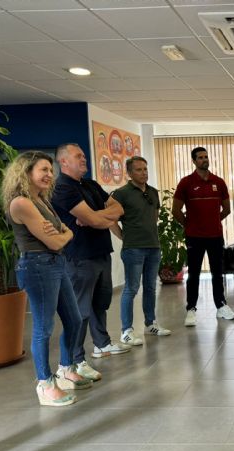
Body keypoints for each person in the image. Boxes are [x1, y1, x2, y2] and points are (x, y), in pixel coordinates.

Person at [3, 151, 92, 406]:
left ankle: (66, 368)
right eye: (44, 170)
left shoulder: (41, 199)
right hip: (37, 266)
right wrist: (63, 235)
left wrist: (62, 235)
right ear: (26, 172)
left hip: (56, 263)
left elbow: (64, 233)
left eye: (51, 170)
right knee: (43, 328)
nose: (49, 175)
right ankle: (45, 384)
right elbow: (56, 240)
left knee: (74, 319)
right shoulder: (21, 202)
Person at [52, 143, 130, 382]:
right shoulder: (62, 188)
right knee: (80, 312)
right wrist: (97, 218)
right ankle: (75, 361)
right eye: (79, 156)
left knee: (100, 302)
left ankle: (102, 344)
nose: (84, 159)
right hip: (79, 257)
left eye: (84, 156)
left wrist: (98, 217)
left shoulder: (91, 184)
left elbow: (118, 208)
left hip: (100, 252)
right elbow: (95, 219)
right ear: (63, 161)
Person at [111, 156, 171, 346]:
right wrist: (123, 237)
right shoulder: (120, 194)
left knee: (151, 287)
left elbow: (153, 217)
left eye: (145, 169)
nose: (143, 173)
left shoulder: (153, 192)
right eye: (138, 170)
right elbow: (110, 219)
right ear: (129, 173)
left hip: (153, 247)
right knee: (131, 288)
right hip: (133, 249)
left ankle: (150, 323)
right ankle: (126, 331)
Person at [172, 147, 234, 326]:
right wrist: (188, 225)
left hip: (215, 236)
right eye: (200, 157)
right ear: (194, 161)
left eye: (206, 157)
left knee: (217, 273)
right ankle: (191, 309)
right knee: (194, 274)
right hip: (194, 237)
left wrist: (214, 220)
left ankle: (221, 306)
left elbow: (227, 209)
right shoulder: (186, 182)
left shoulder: (219, 182)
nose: (204, 160)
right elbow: (175, 210)